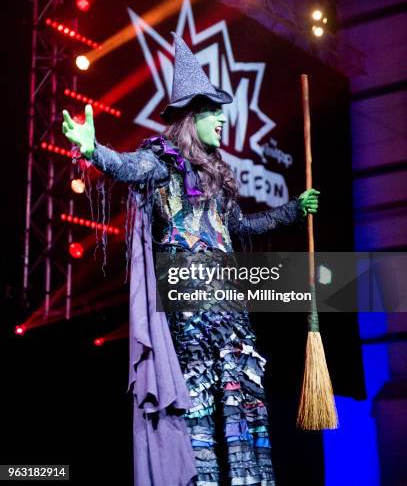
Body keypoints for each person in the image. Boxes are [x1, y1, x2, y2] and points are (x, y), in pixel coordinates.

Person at [62, 33, 319, 486]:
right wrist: (92, 150)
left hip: (231, 311)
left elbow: (244, 227)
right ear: (192, 117)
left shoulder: (217, 175)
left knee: (245, 406)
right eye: (214, 112)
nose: (222, 119)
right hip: (190, 309)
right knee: (197, 409)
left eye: (221, 111)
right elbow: (125, 167)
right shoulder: (161, 161)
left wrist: (294, 209)